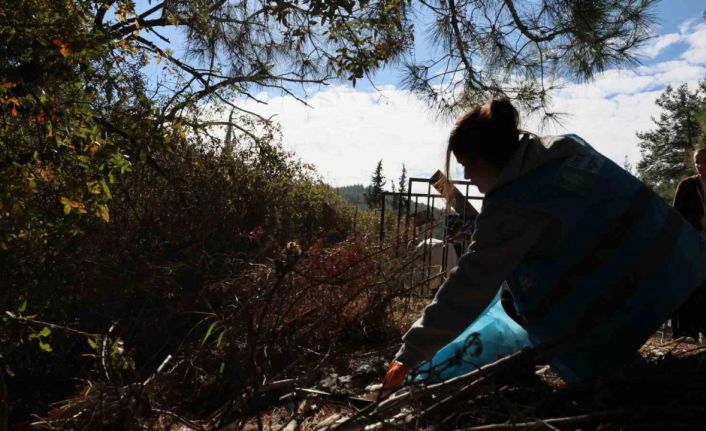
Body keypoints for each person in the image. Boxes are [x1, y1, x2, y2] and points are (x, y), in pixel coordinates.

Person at [380, 98, 706, 394]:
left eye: (467, 163)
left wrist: (409, 355)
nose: (465, 174)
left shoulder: (514, 202)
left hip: (646, 281)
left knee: (518, 298)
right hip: (683, 256)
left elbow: (469, 283)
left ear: (489, 157)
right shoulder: (562, 150)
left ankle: (614, 369)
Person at [670, 149, 706, 339]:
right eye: (697, 162)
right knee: (691, 289)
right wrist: (699, 221)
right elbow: (676, 216)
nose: (700, 166)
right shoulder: (688, 186)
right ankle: (686, 333)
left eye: (704, 161)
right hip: (692, 246)